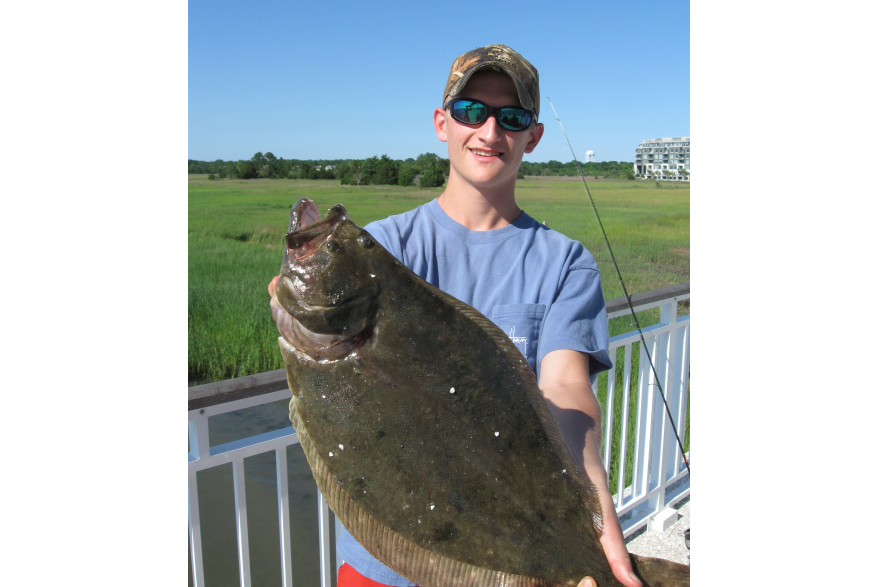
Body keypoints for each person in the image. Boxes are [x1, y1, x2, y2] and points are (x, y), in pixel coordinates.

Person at [270, 44, 641, 587]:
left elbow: (565, 389)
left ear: (532, 138)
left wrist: (593, 507)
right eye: (471, 112)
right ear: (442, 123)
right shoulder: (385, 247)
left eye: (511, 118)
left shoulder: (565, 263)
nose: (490, 132)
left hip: (510, 562)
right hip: (381, 566)